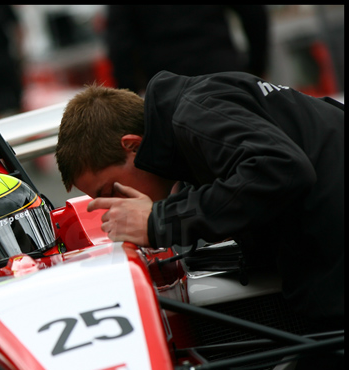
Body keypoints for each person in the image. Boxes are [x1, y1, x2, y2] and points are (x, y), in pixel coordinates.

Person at [55, 71, 344, 324]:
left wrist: (161, 220)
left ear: (132, 146)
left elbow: (283, 168)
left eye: (109, 192)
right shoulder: (199, 107)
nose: (117, 205)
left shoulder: (195, 111)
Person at [105, 5, 269, 94]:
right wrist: (255, 69)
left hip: (168, 88)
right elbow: (254, 15)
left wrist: (130, 96)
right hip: (223, 73)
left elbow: (120, 46)